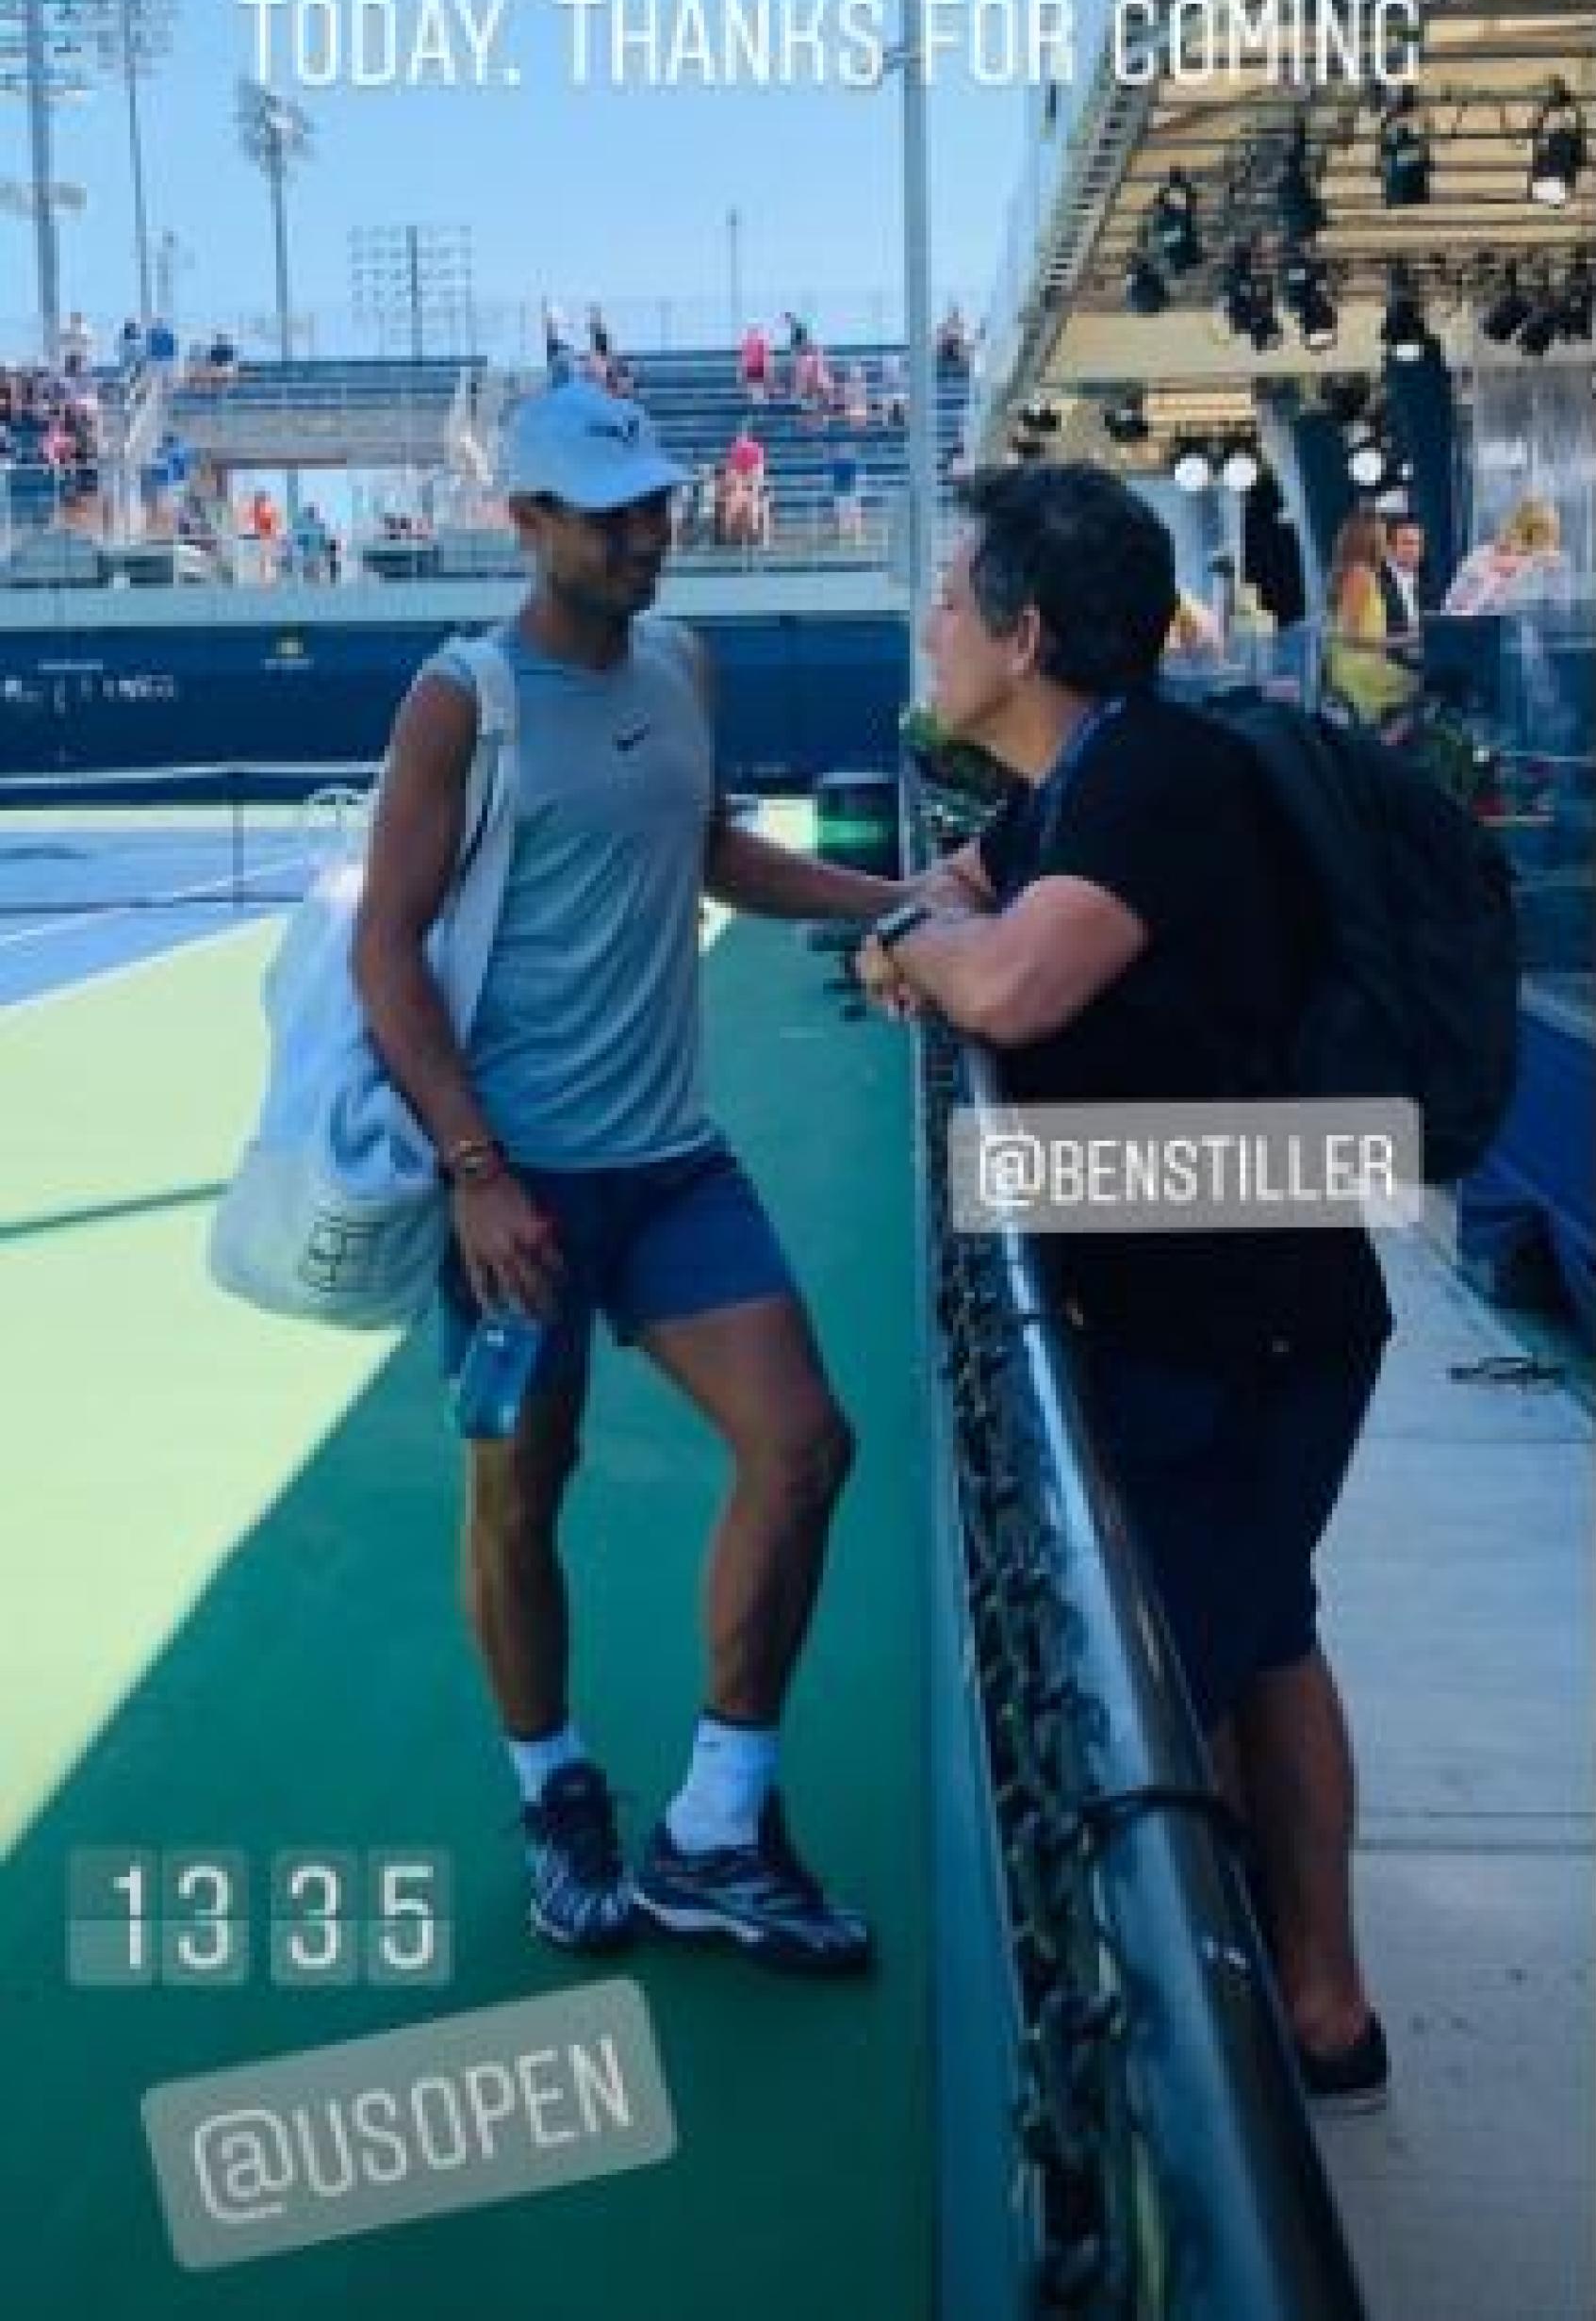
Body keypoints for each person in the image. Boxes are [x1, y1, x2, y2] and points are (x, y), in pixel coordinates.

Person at [351, 376, 909, 1970]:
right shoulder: (462, 699)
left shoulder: (684, 660)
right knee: (521, 1497)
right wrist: (474, 1169)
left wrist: (899, 897)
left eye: (656, 503)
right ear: (526, 522)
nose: (650, 534)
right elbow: (386, 950)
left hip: (672, 1168)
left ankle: (717, 1830)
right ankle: (556, 1792)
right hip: (518, 1192)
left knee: (803, 1446)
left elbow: (712, 849)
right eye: (610, 514)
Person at [854, 465, 1394, 2109]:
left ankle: (1251, 2023)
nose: (928, 625)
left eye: (949, 600)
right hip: (1232, 1291)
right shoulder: (1078, 777)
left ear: (1021, 633)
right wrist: (929, 916)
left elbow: (1005, 980)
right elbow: (969, 890)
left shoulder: (1150, 774)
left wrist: (910, 951)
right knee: (1266, 1631)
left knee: (1181, 1670)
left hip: (1246, 1313)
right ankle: (1320, 2003)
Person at [1324, 511, 1415, 725]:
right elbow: (1348, 636)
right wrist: (1404, 640)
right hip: (1359, 668)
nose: (1385, 543)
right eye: (1382, 536)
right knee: (1424, 688)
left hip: (1361, 663)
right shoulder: (1359, 574)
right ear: (1369, 539)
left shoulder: (1360, 573)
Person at [1442, 498, 1568, 616]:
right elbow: (1452, 608)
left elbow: (1556, 608)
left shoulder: (1540, 569)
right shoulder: (1482, 559)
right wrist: (1489, 581)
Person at [1378, 512, 1428, 650]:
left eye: (1418, 544)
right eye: (1407, 543)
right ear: (1388, 547)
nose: (1414, 550)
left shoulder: (1425, 584)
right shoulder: (1376, 581)